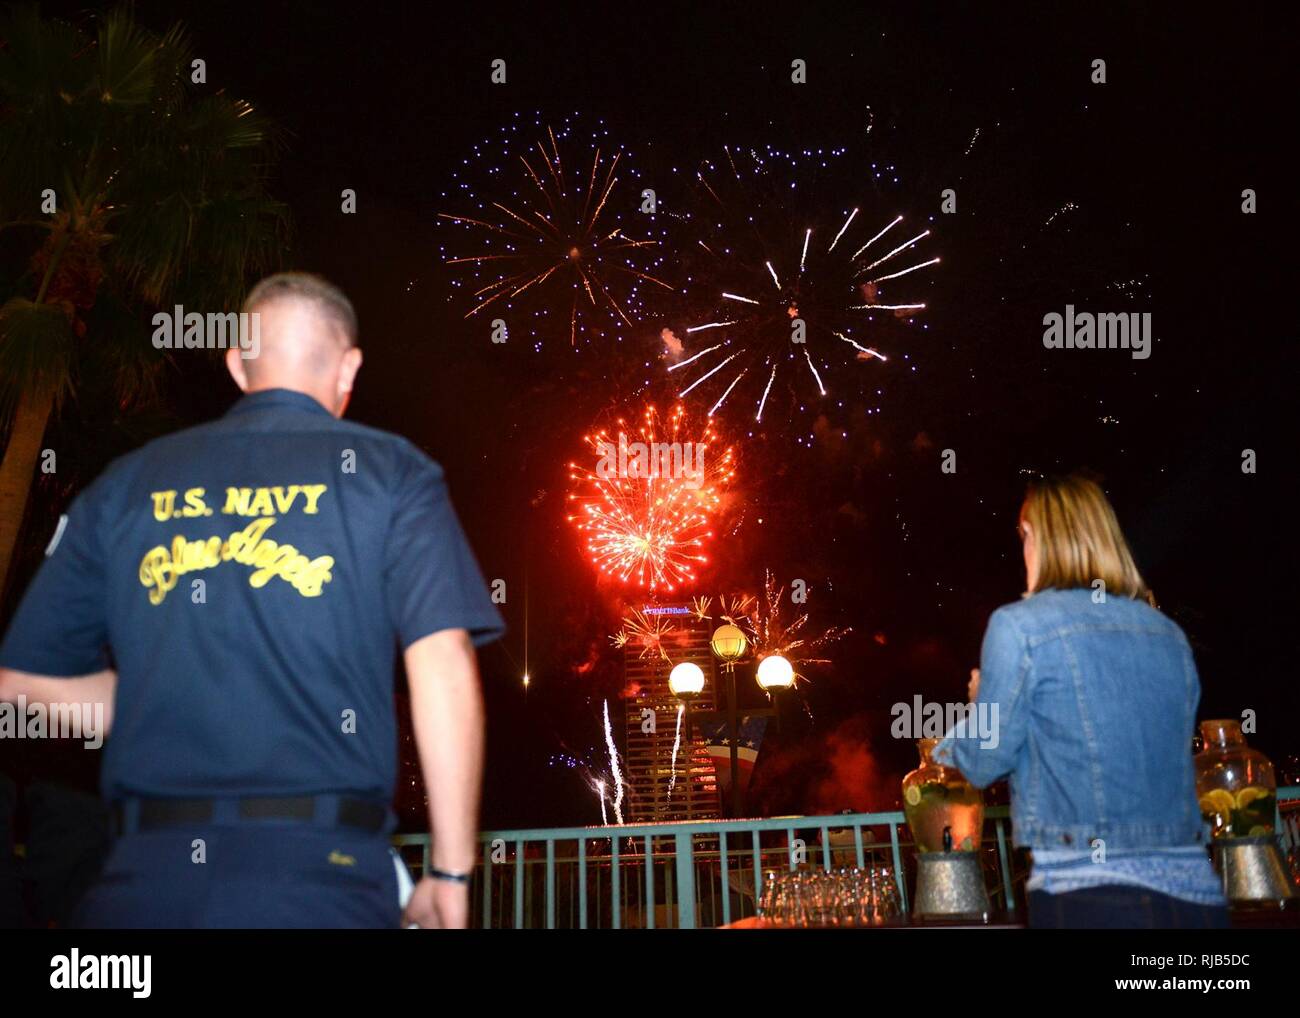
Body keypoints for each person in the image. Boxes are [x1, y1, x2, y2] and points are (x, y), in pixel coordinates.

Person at [0, 272, 503, 928]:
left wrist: (157, 699)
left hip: (139, 885)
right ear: (349, 368)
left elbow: (19, 683)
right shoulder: (394, 474)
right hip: (322, 881)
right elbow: (442, 662)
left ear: (236, 362)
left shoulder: (125, 484)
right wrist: (452, 872)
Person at [934, 473, 1226, 928]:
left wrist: (979, 705)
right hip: (1195, 892)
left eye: (1024, 536)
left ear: (1039, 537)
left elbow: (982, 761)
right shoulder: (1167, 634)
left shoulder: (1019, 627)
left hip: (1087, 892)